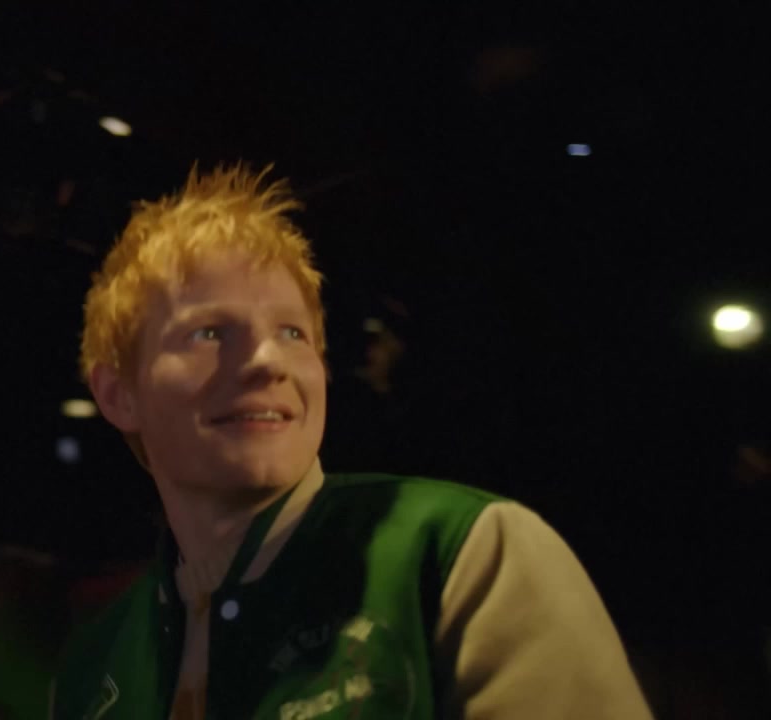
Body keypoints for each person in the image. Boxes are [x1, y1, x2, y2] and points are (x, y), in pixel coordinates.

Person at [50, 165, 652, 719]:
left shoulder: (464, 551)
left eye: (292, 332)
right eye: (208, 332)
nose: (266, 361)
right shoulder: (88, 668)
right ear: (117, 393)